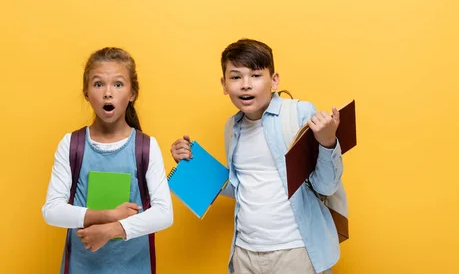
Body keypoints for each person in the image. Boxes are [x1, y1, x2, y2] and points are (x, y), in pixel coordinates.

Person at [171, 39, 343, 274]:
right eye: (235, 77)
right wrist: (190, 164)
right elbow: (241, 187)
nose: (245, 85)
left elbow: (326, 186)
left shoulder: (299, 112)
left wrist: (327, 142)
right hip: (245, 252)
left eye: (255, 75)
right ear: (224, 84)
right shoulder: (231, 127)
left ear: (274, 80)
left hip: (295, 251)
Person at [43, 47, 173, 273]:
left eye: (118, 84)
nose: (108, 93)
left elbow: (164, 214)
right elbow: (52, 210)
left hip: (135, 266)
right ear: (86, 93)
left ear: (132, 93)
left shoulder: (146, 147)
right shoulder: (71, 144)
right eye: (98, 84)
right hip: (81, 267)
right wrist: (108, 215)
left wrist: (113, 229)